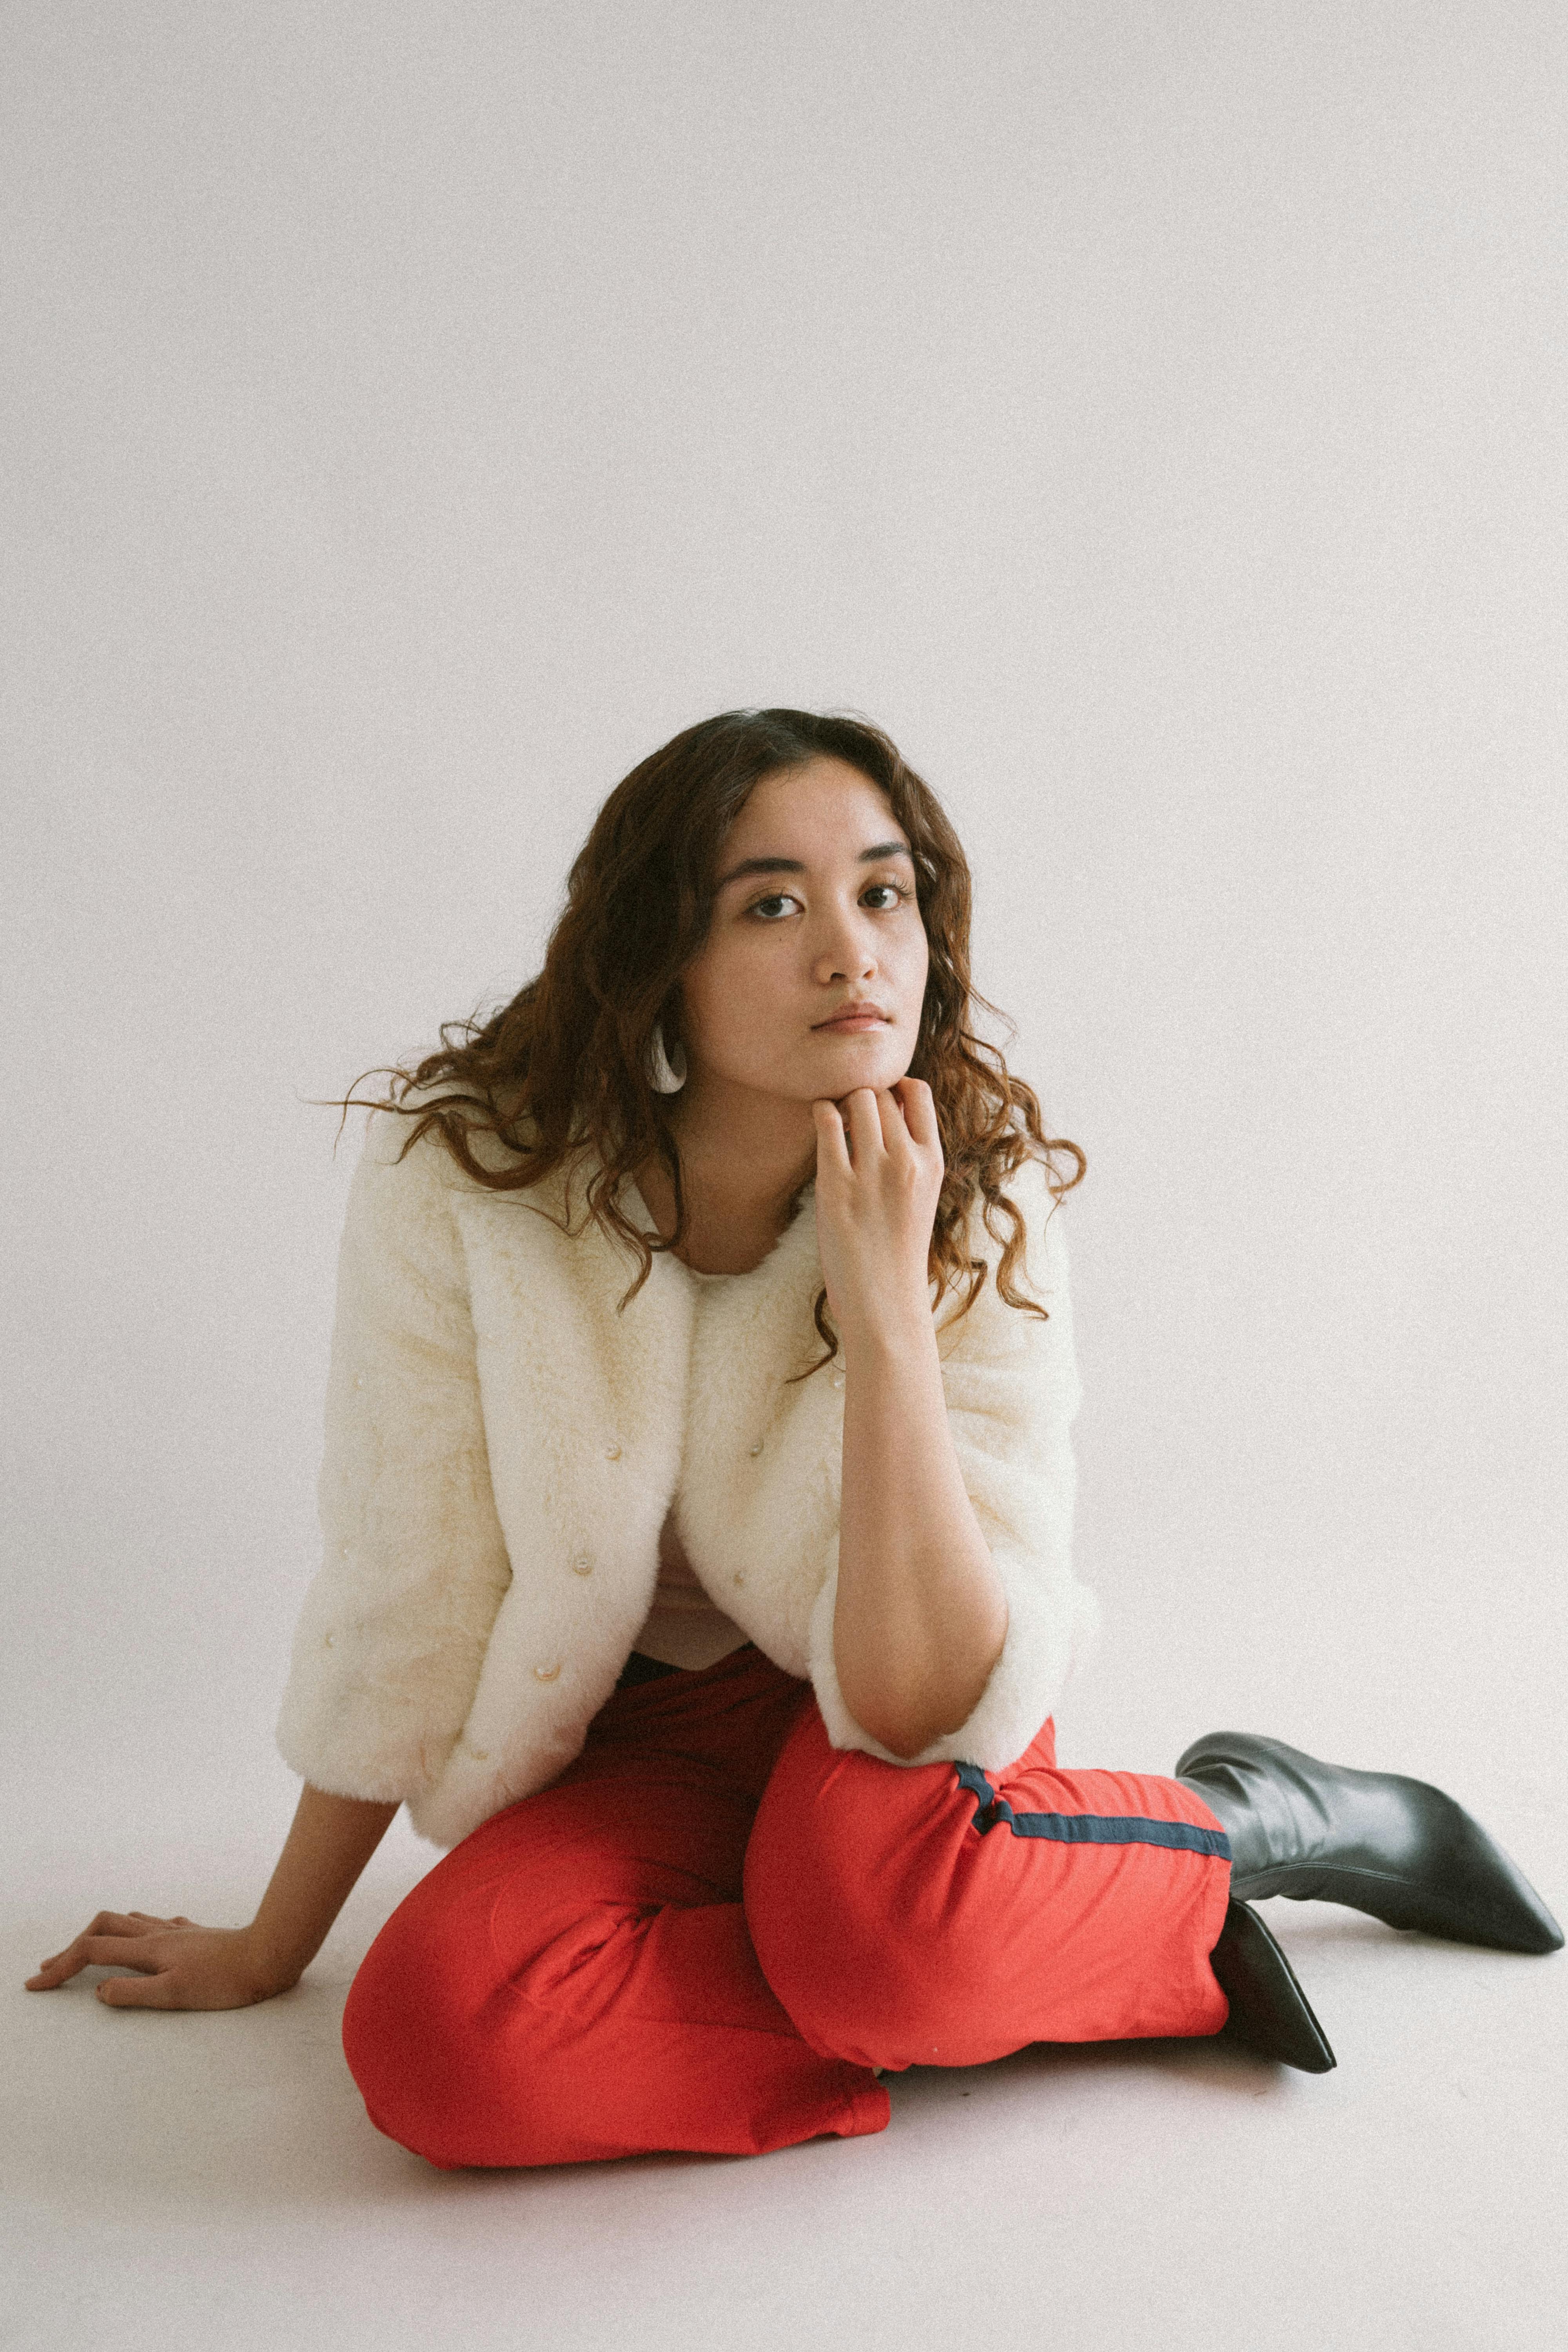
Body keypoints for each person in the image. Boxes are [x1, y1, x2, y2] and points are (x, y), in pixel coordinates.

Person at [27, 709, 1561, 2166]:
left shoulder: (979, 1195)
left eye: (883, 893)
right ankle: (1027, 1944)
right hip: (639, 1742)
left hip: (896, 1703)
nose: (851, 951)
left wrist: (885, 1308)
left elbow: (926, 1700)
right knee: (439, 2045)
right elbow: (410, 1574)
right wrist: (276, 1941)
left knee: (882, 1935)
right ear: (661, 956)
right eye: (772, 906)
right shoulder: (472, 1183)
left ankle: (1242, 1821)